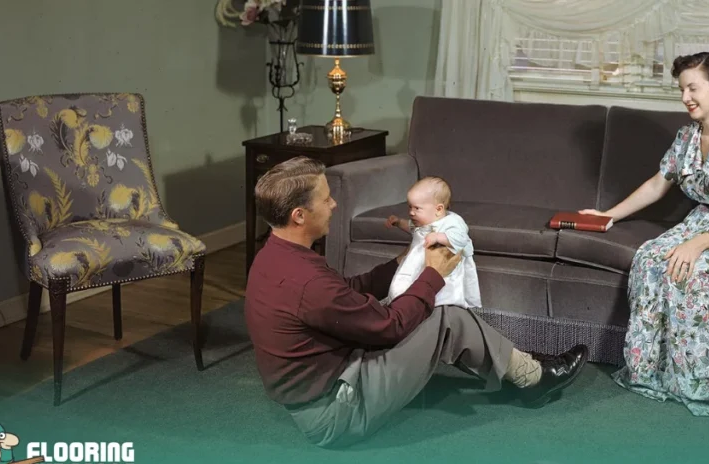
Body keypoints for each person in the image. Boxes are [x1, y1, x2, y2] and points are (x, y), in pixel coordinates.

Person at [244, 156, 589, 448]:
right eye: (325, 199)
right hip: (335, 413)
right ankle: (534, 379)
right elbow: (388, 327)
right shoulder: (308, 281)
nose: (334, 204)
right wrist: (432, 274)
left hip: (323, 388)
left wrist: (401, 263)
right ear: (299, 216)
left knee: (428, 310)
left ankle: (521, 367)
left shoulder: (275, 256)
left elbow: (346, 291)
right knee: (445, 317)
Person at [579, 52, 709, 418]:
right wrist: (608, 215)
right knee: (651, 259)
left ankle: (695, 374)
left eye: (693, 88)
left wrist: (700, 243)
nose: (685, 97)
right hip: (701, 220)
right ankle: (651, 368)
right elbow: (658, 184)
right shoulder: (687, 136)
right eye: (682, 89)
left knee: (689, 271)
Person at [383, 176, 481, 309]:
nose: (411, 212)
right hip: (420, 263)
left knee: (443, 292)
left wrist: (438, 237)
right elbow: (412, 228)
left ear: (439, 209)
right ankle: (404, 303)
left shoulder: (452, 222)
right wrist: (399, 222)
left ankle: (440, 307)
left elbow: (461, 239)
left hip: (445, 267)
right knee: (407, 281)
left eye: (417, 208)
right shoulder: (424, 222)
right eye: (410, 207)